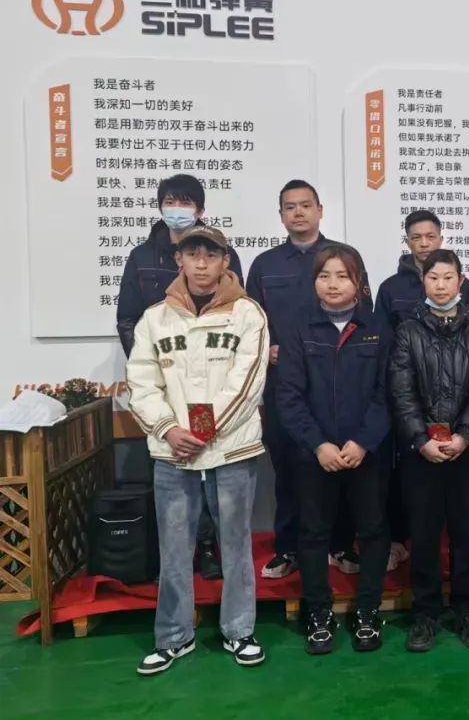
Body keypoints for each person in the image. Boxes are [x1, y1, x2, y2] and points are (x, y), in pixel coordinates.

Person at [126, 225, 268, 675]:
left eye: (211, 255)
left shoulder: (248, 314)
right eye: (193, 255)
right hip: (173, 454)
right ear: (179, 260)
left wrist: (201, 432)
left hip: (230, 451)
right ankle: (173, 637)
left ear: (225, 261)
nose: (202, 263)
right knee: (173, 549)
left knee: (236, 545)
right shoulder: (155, 318)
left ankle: (239, 631)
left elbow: (247, 382)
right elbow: (141, 382)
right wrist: (169, 430)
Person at [117, 173, 244, 581]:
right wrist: (160, 371)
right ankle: (174, 555)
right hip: (168, 385)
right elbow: (128, 319)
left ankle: (207, 545)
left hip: (212, 384)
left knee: (206, 459)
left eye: (184, 202)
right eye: (169, 201)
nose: (176, 208)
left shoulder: (225, 253)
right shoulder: (141, 256)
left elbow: (236, 313)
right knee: (174, 467)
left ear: (200, 209)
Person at [276, 244, 393, 654]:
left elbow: (388, 393)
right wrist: (318, 444)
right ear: (314, 282)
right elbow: (288, 396)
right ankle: (319, 614)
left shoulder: (378, 328)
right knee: (312, 533)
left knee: (373, 531)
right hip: (315, 456)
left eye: (343, 276)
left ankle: (368, 611)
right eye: (325, 276)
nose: (333, 284)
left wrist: (363, 442)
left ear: (358, 282)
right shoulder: (298, 329)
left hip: (367, 453)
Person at [389, 249, 469, 652]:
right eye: (433, 277)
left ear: (461, 280)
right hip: (422, 453)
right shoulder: (407, 330)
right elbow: (401, 391)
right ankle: (426, 613)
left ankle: (466, 609)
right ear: (423, 281)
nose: (440, 285)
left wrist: (465, 435)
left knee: (467, 534)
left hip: (468, 451)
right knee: (424, 534)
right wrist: (421, 440)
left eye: (448, 277)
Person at [246, 180, 355, 580]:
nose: (298, 213)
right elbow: (250, 321)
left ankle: (341, 544)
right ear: (281, 216)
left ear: (320, 210)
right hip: (285, 384)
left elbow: (363, 315)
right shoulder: (265, 265)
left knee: (340, 464)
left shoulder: (343, 257)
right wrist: (267, 349)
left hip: (336, 382)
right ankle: (288, 547)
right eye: (290, 207)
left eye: (306, 205)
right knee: (289, 466)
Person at [374, 210, 469, 572]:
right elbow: (388, 355)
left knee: (463, 512)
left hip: (461, 419)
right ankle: (404, 552)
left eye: (430, 236)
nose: (423, 243)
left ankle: (463, 579)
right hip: (415, 414)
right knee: (415, 504)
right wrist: (417, 431)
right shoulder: (393, 294)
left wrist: (466, 431)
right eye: (416, 237)